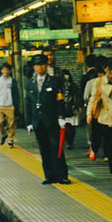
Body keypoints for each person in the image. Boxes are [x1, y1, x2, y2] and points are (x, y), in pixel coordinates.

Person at [26, 54, 70, 185]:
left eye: (43, 64)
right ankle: (49, 176)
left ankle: (62, 176)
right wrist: (28, 122)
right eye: (38, 65)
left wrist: (61, 117)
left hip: (52, 120)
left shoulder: (55, 81)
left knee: (56, 148)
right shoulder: (30, 83)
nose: (40, 67)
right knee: (44, 149)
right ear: (34, 67)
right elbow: (28, 103)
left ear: (46, 66)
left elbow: (60, 101)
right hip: (38, 122)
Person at [0, 63, 19, 148]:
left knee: (11, 124)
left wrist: (15, 104)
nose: (6, 71)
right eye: (4, 69)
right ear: (1, 71)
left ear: (10, 71)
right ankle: (4, 134)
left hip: (9, 105)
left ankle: (10, 139)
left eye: (7, 70)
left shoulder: (12, 81)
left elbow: (16, 94)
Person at [84, 63, 106, 160]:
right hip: (98, 111)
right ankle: (104, 153)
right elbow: (92, 98)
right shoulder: (96, 82)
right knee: (102, 133)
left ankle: (94, 150)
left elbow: (86, 97)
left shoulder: (91, 82)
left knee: (96, 133)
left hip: (99, 112)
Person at [61, 69, 79, 149]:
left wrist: (76, 105)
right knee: (64, 126)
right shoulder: (59, 86)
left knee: (71, 127)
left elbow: (77, 96)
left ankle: (70, 142)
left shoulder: (73, 86)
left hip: (71, 108)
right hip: (63, 108)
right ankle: (67, 141)